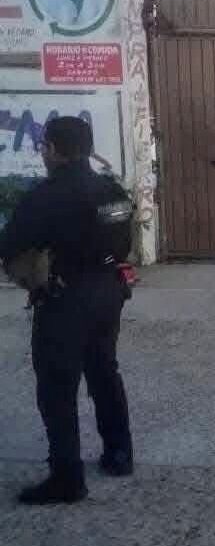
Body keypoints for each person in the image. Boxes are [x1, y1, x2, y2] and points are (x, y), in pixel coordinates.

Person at [0, 116, 134, 505]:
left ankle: (67, 479)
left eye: (44, 146)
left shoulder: (44, 197)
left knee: (57, 389)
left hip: (65, 298)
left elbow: (9, 245)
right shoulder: (111, 191)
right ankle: (119, 454)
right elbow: (123, 244)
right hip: (108, 292)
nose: (43, 152)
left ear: (54, 150)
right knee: (104, 372)